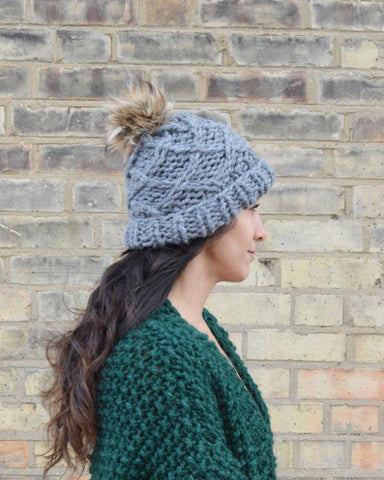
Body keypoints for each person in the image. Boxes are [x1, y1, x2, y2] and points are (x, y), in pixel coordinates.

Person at [42, 73, 276, 480]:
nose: (261, 230)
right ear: (208, 217)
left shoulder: (195, 329)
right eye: (251, 207)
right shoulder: (158, 357)